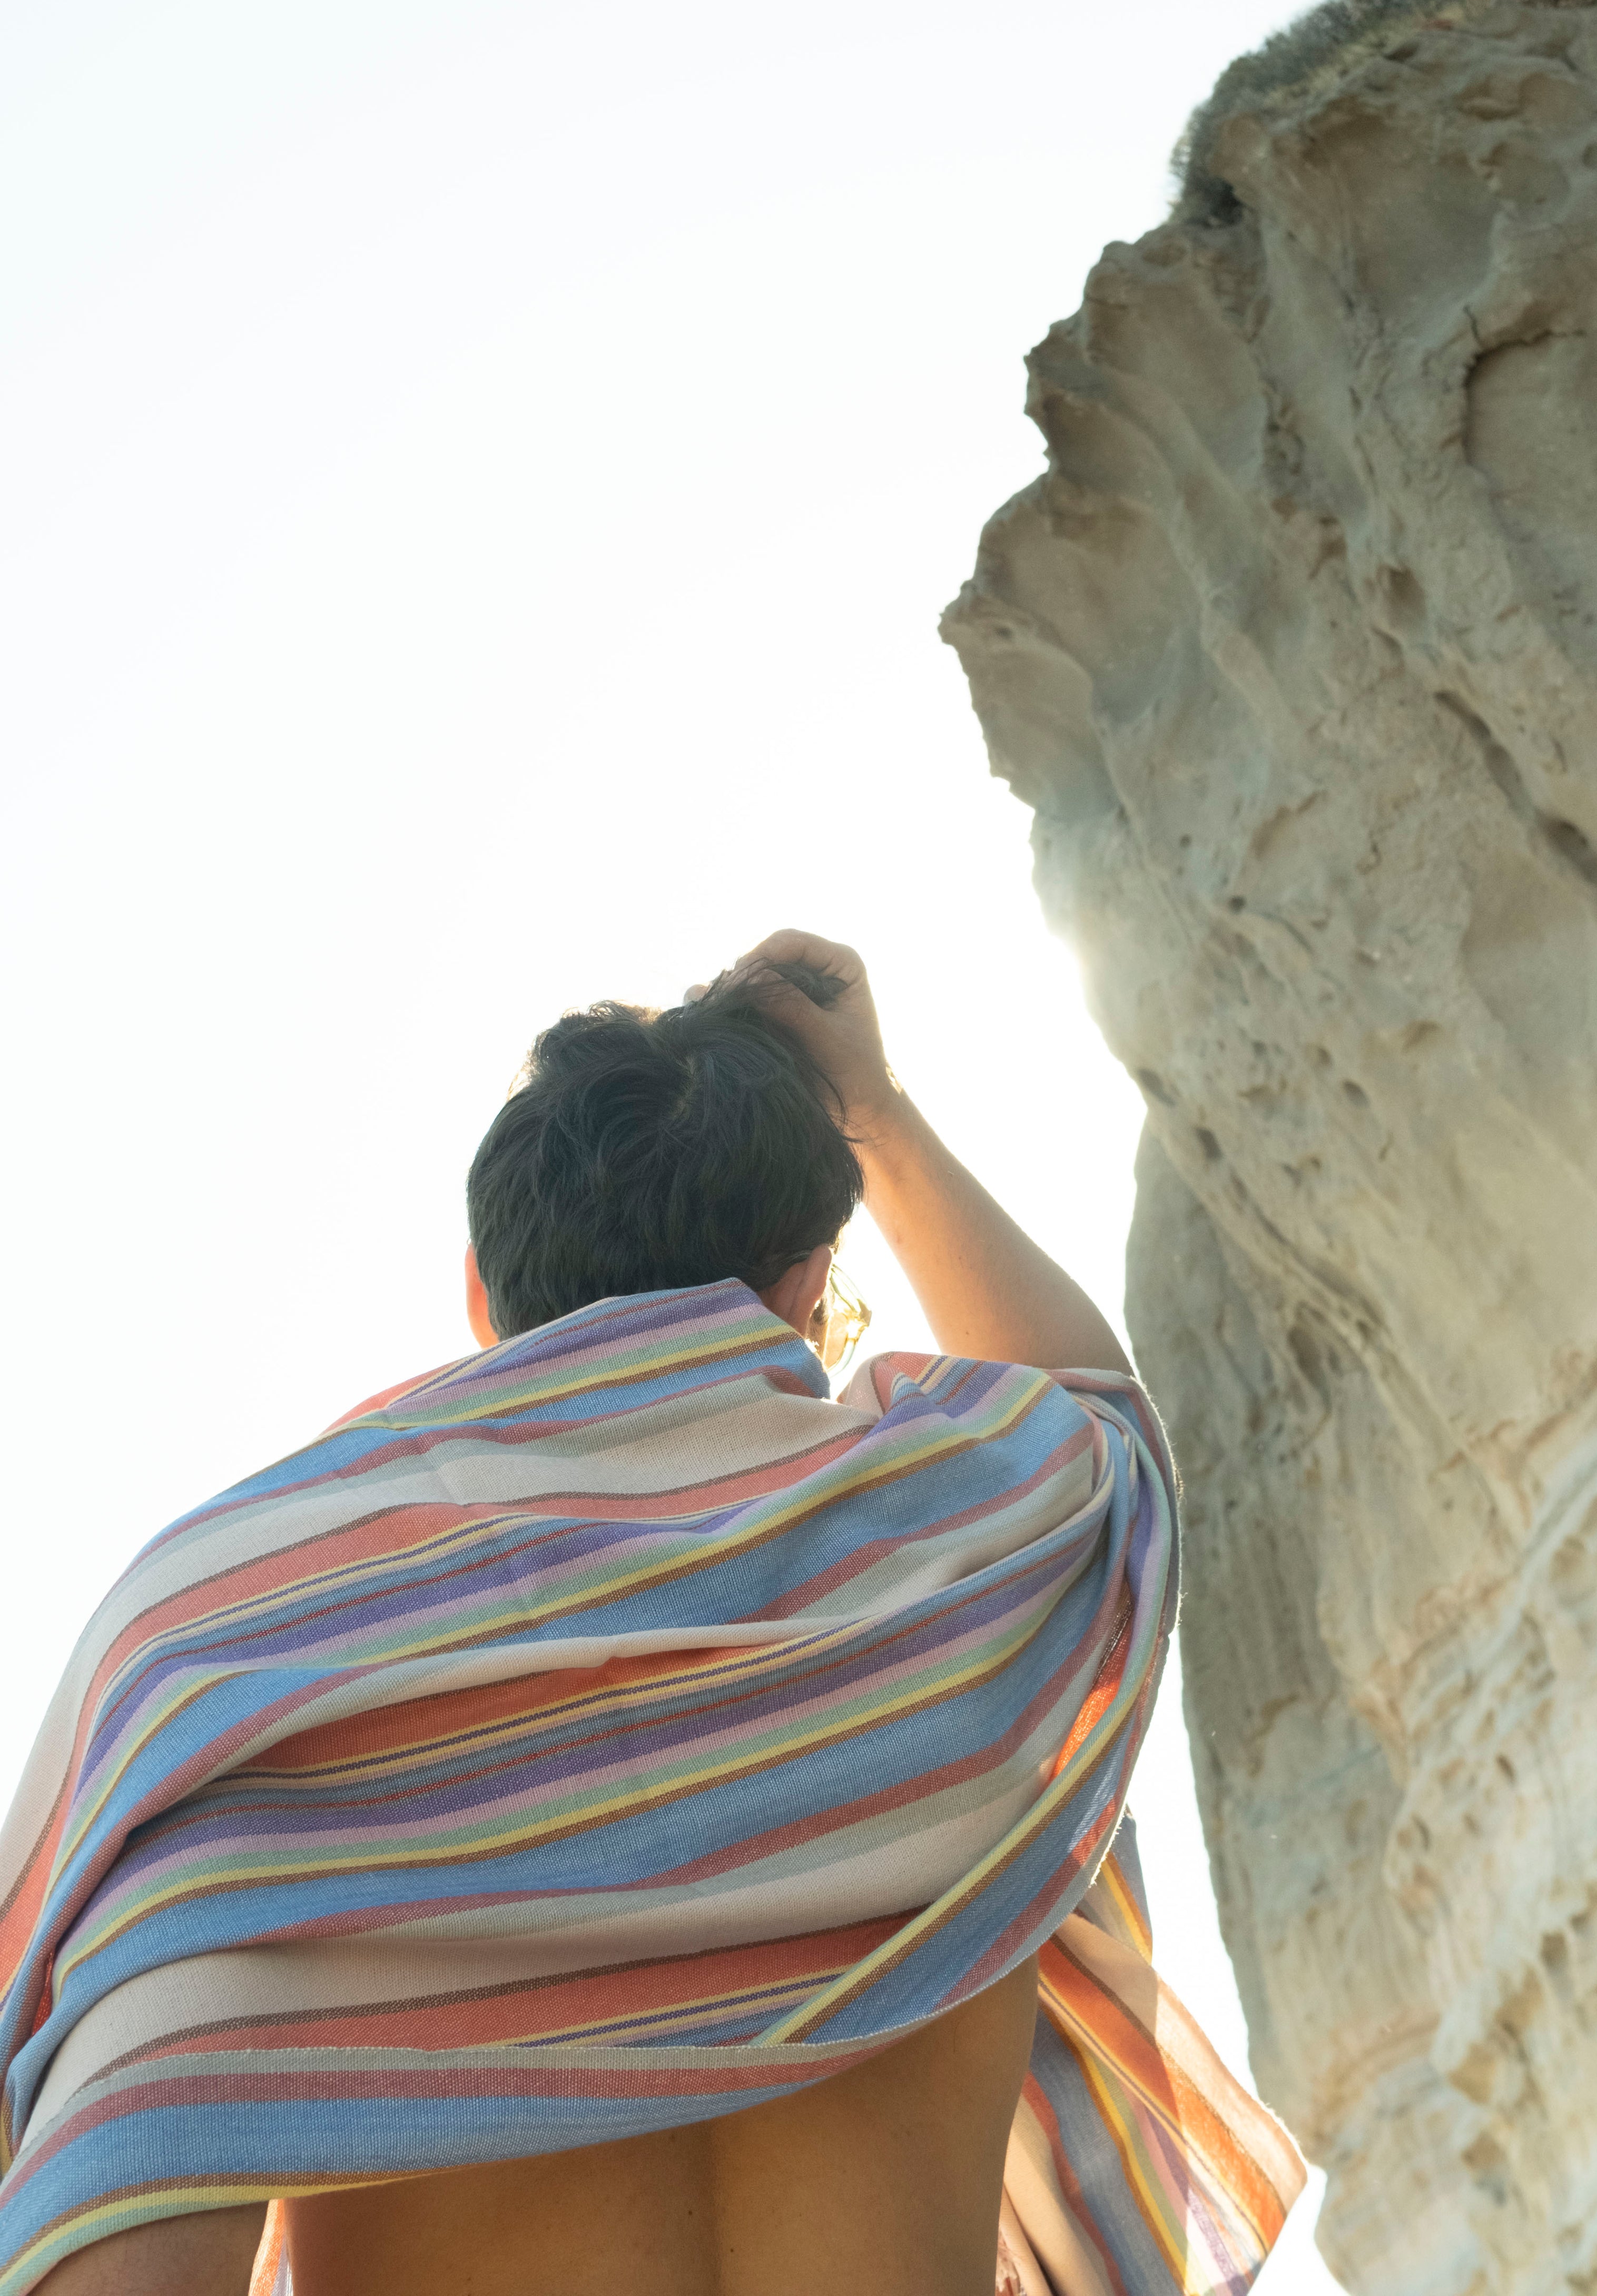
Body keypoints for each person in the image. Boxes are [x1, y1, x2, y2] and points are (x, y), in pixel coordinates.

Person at [1, 937, 1299, 2296]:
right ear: (808, 1289)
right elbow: (1099, 1403)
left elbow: (119, 2199)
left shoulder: (245, 1662)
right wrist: (882, 1115)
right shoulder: (970, 1565)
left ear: (480, 1297)